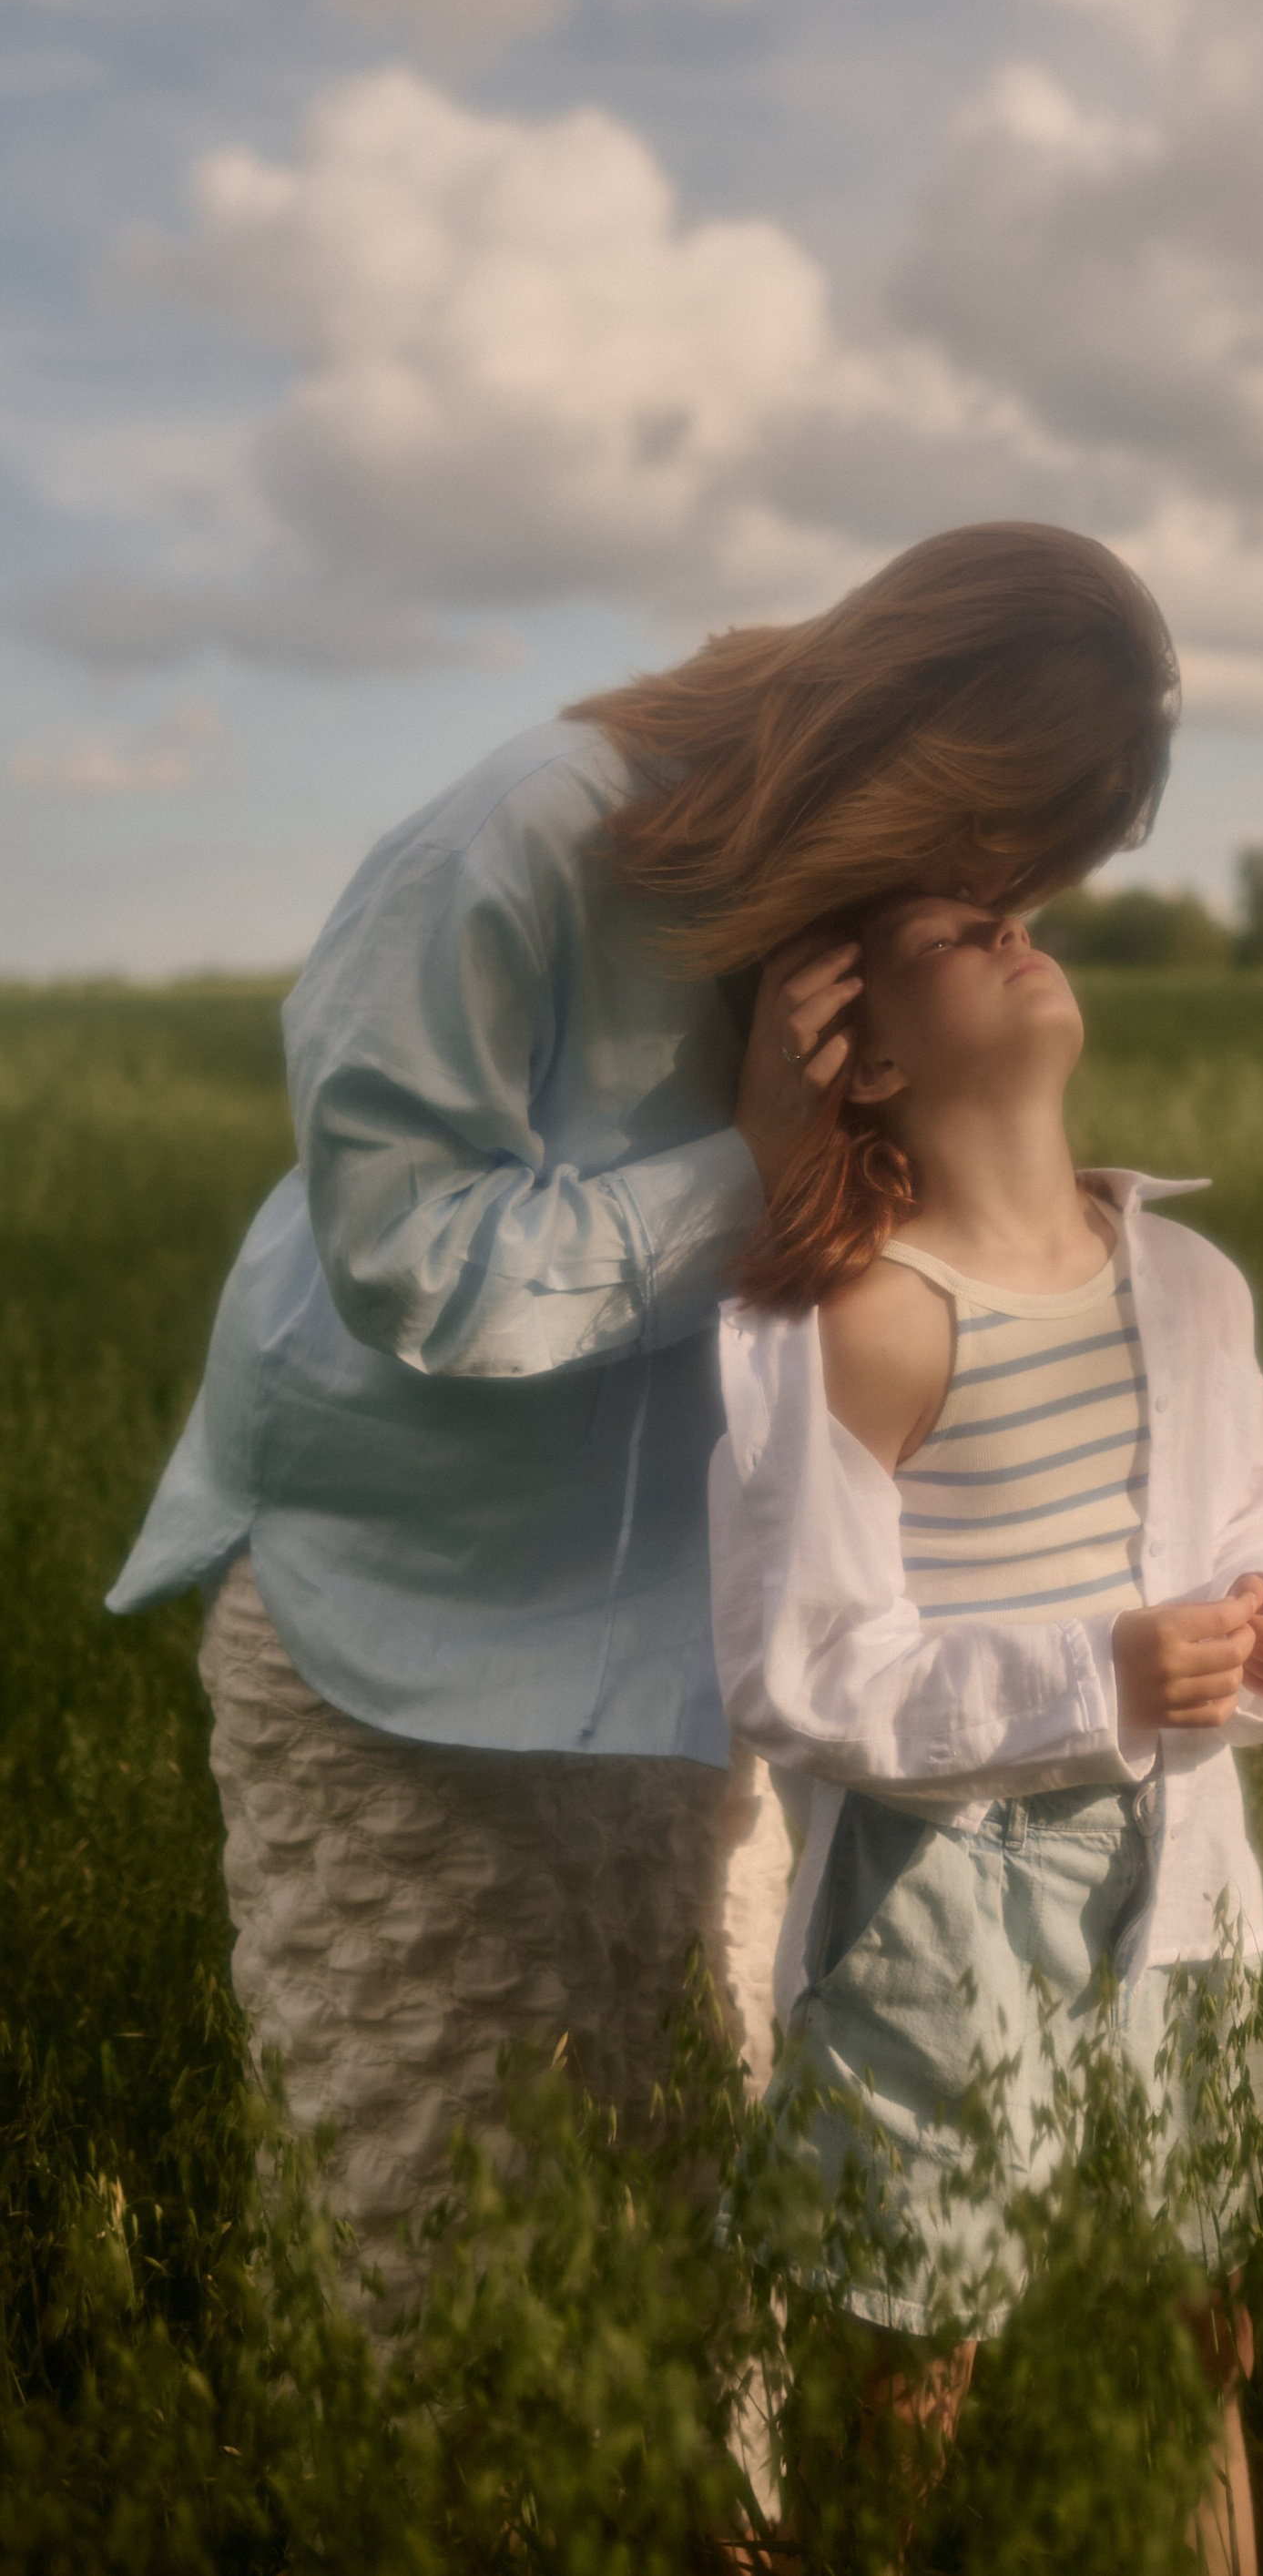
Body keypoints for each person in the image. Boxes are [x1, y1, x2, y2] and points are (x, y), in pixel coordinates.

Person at [104, 524, 1179, 2307]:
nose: (988, 905)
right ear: (906, 752)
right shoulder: (524, 837)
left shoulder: (879, 930)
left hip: (693, 1655)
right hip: (405, 1629)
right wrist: (746, 1176)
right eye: (985, 846)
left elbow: (902, 1276)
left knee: (706, 2229)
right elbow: (410, 1263)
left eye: (1021, 883)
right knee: (422, 2252)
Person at [709, 890, 1263, 2571]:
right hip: (938, 1891)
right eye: (946, 927)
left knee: (1187, 2316)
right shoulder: (871, 1315)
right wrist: (1099, 1679)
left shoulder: (1193, 1285)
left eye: (1019, 906)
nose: (1016, 924)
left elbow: (1256, 1535)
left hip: (1175, 1883)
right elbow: (802, 1672)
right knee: (915, 2349)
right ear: (866, 1051)